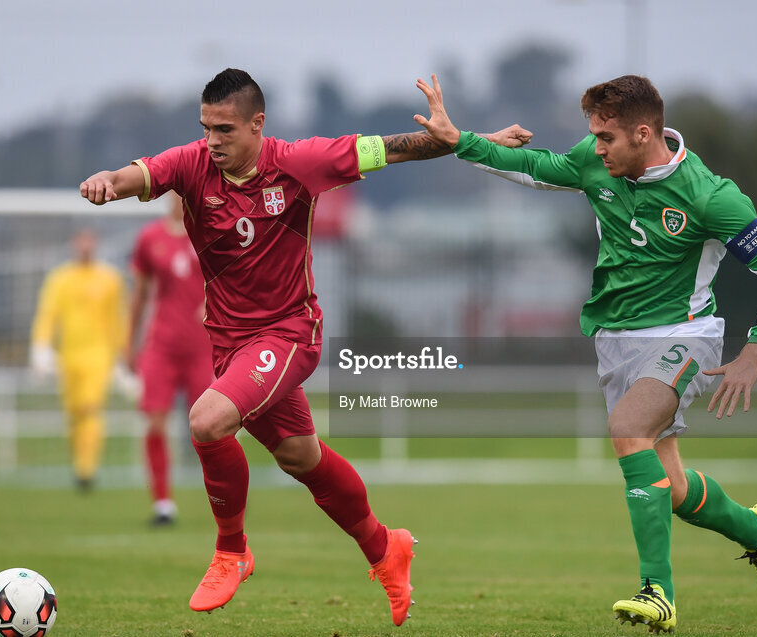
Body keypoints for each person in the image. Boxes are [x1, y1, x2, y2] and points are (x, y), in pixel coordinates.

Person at [79, 68, 525, 626]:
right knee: (301, 458)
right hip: (230, 343)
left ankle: (232, 552)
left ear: (256, 125)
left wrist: (474, 140)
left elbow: (397, 148)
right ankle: (387, 548)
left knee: (207, 421)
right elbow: (136, 174)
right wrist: (106, 181)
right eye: (205, 127)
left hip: (289, 334)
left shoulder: (299, 162)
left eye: (224, 129)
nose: (212, 140)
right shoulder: (192, 164)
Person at [413, 74, 757, 633]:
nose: (595, 148)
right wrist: (460, 141)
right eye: (593, 136)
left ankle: (658, 592)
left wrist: (755, 353)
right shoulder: (596, 160)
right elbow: (536, 169)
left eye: (605, 138)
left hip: (685, 335)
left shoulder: (710, 196)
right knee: (668, 489)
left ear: (644, 133)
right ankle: (756, 530)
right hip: (616, 342)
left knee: (628, 429)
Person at [127, 191, 215, 526]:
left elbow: (231, 280)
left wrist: (213, 301)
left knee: (212, 429)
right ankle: (163, 503)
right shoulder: (150, 238)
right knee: (154, 422)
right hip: (160, 346)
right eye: (174, 194)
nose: (179, 201)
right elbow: (139, 294)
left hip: (202, 347)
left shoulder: (210, 234)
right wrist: (129, 344)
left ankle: (223, 502)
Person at [31, 228, 128, 491]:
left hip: (99, 356)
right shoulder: (60, 279)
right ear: (74, 244)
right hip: (68, 356)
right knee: (74, 413)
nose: (85, 246)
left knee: (91, 407)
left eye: (90, 241)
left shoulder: (110, 279)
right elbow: (48, 314)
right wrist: (40, 347)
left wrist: (122, 356)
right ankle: (79, 464)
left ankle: (87, 469)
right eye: (80, 241)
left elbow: (118, 319)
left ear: (96, 244)